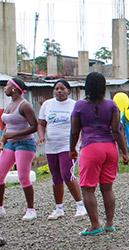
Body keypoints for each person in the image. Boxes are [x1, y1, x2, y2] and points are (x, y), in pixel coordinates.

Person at [70, 72, 129, 235]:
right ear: (104, 87)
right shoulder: (111, 105)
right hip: (110, 148)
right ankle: (109, 224)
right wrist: (125, 152)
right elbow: (117, 131)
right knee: (107, 188)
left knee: (88, 189)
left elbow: (75, 131)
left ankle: (95, 225)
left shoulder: (80, 106)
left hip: (91, 148)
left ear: (87, 86)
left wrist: (71, 149)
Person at [38, 79, 87, 220]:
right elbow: (41, 123)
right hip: (51, 145)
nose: (59, 91)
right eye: (56, 89)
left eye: (62, 88)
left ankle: (80, 206)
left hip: (68, 145)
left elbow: (81, 125)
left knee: (67, 174)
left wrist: (80, 142)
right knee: (56, 177)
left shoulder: (74, 105)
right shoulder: (47, 105)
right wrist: (41, 136)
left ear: (68, 91)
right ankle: (59, 208)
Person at [0, 77, 38, 221]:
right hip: (10, 143)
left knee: (23, 177)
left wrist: (13, 134)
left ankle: (31, 210)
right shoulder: (10, 104)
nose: (5, 87)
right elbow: (8, 126)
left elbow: (34, 126)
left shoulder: (24, 105)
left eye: (7, 85)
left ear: (14, 88)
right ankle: (1, 208)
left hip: (25, 144)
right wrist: (3, 139)